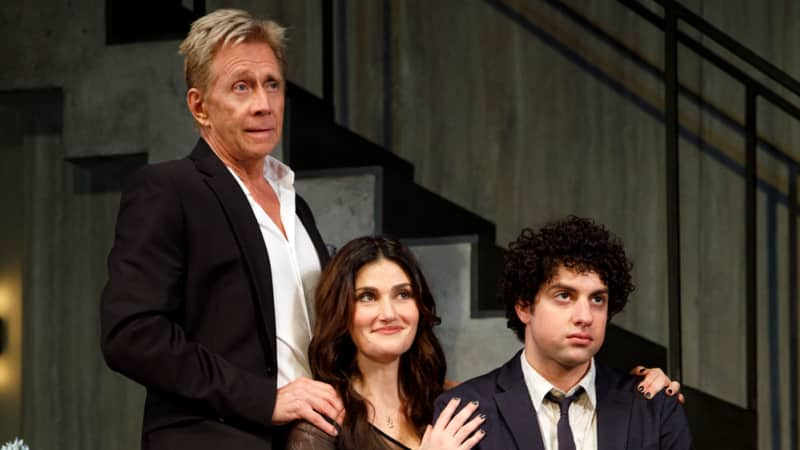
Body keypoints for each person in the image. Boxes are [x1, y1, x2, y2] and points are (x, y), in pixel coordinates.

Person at [100, 9, 342, 449]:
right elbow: (131, 335)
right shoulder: (169, 189)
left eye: (272, 84)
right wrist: (264, 399)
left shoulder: (295, 202)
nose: (263, 104)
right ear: (199, 106)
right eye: (241, 87)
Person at [434, 216, 693, 450]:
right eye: (564, 296)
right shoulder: (464, 412)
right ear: (525, 306)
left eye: (597, 299)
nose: (584, 317)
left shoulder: (653, 408)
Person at [285, 236, 486, 450]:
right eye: (367, 297)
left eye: (403, 294)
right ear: (341, 313)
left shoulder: (448, 403)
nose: (389, 313)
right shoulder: (319, 427)